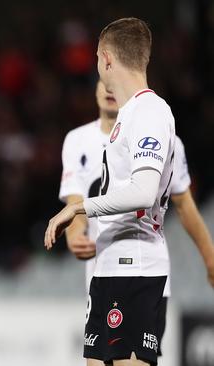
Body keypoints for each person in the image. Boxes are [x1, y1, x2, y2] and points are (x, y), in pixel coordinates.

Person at [44, 18, 175, 366]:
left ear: (104, 58)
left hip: (136, 266)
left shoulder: (150, 110)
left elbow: (144, 191)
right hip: (109, 267)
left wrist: (78, 208)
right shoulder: (129, 114)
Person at [59, 81, 214, 363]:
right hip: (100, 272)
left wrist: (210, 257)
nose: (108, 89)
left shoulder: (161, 138)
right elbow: (74, 201)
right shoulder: (77, 141)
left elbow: (185, 206)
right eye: (102, 83)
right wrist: (74, 234)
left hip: (142, 271)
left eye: (112, 84)